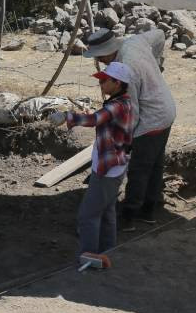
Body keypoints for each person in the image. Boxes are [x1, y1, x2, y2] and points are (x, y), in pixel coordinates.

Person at [84, 26, 176, 228]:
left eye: (100, 57)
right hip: (167, 110)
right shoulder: (134, 41)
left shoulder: (126, 70)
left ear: (108, 51)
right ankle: (149, 210)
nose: (100, 62)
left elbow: (131, 113)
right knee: (154, 165)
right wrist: (158, 64)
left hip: (151, 119)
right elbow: (160, 34)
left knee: (139, 170)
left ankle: (128, 218)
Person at [50, 61, 136, 268]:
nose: (101, 84)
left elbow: (94, 119)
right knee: (106, 213)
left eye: (105, 81)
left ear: (117, 83)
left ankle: (88, 259)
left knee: (88, 215)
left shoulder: (116, 105)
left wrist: (67, 116)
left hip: (108, 169)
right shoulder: (124, 102)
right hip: (115, 165)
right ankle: (108, 253)